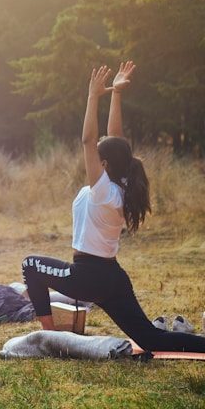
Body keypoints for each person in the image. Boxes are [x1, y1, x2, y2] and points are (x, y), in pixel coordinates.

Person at [22, 61, 205, 352]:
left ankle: (52, 337)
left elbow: (87, 140)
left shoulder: (104, 191)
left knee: (30, 265)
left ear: (104, 163)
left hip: (86, 277)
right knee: (151, 339)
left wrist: (93, 96)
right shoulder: (121, 184)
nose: (94, 153)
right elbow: (115, 139)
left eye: (98, 154)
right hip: (111, 278)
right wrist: (116, 94)